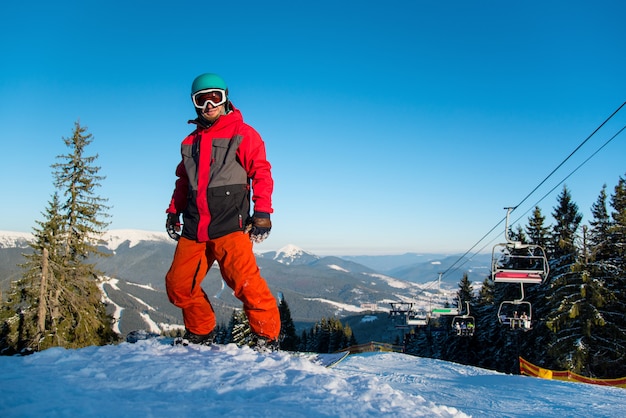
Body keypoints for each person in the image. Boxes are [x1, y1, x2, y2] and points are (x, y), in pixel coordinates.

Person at [164, 73, 281, 351]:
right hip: (195, 227)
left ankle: (267, 338)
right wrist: (173, 211)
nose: (209, 105)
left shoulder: (243, 133)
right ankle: (201, 332)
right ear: (194, 104)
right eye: (201, 99)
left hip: (230, 223)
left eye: (214, 97)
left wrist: (262, 212)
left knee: (246, 284)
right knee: (178, 285)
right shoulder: (189, 142)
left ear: (225, 97)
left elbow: (261, 172)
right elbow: (183, 181)